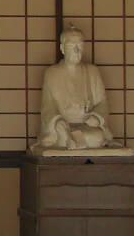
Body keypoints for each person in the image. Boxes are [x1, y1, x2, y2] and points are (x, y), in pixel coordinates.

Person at [30, 25, 115, 153]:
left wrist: (97, 117)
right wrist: (57, 121)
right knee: (62, 136)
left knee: (97, 137)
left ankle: (73, 139)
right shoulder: (52, 73)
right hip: (63, 127)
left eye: (80, 45)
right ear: (62, 48)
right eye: (71, 45)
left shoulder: (92, 72)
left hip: (88, 127)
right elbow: (48, 106)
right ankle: (70, 138)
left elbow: (102, 102)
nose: (77, 50)